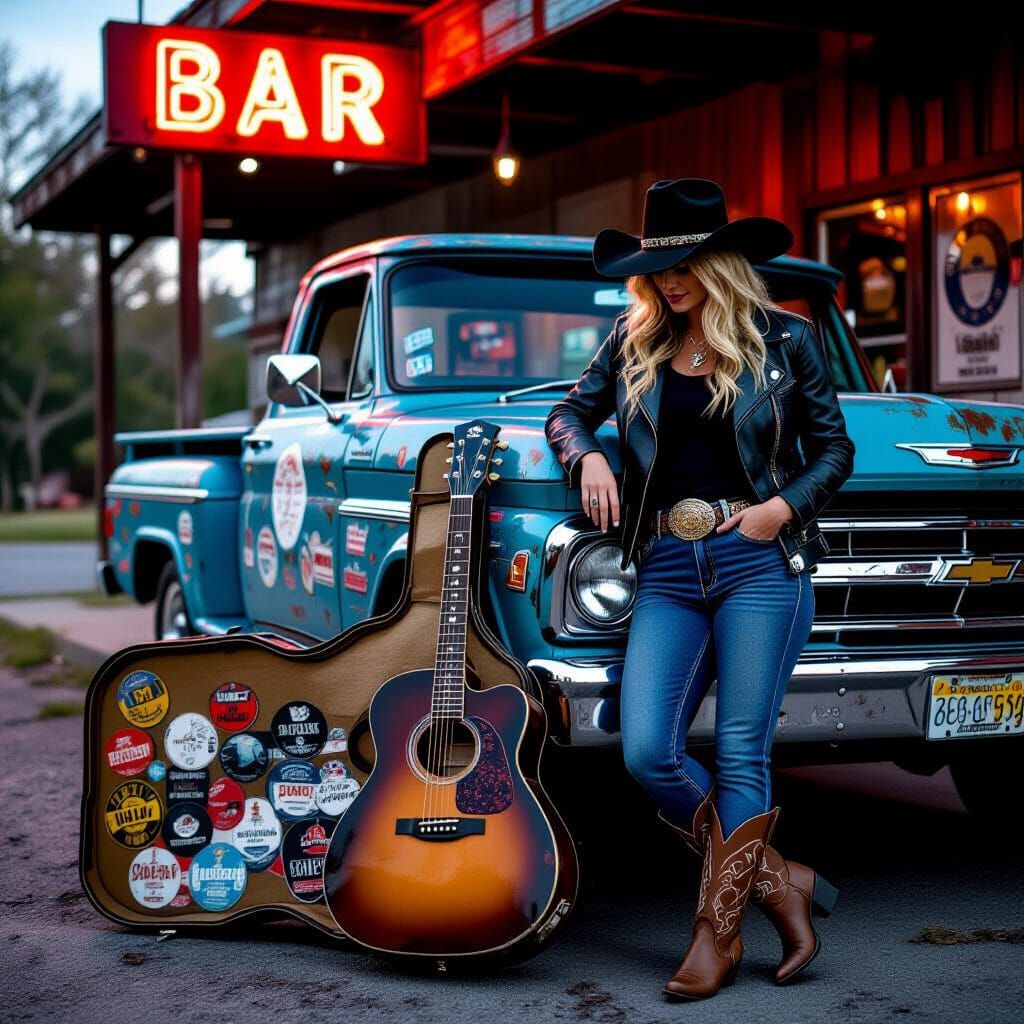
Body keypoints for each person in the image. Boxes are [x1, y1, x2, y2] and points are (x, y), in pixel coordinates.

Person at [544, 178, 855, 1000]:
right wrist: (592, 454)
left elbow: (835, 451)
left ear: (723, 262)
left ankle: (714, 935)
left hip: (760, 563)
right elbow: (567, 414)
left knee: (742, 750)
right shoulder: (633, 340)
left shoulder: (786, 341)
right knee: (650, 751)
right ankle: (781, 881)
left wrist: (779, 509)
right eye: (658, 268)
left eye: (687, 263)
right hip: (670, 570)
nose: (670, 280)